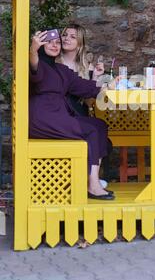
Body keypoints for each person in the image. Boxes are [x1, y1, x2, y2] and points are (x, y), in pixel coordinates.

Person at [29, 30, 114, 200]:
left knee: (99, 125)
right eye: (49, 42)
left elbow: (84, 86)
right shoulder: (39, 65)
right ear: (40, 46)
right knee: (90, 131)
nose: (55, 45)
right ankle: (94, 186)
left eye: (58, 42)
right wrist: (32, 49)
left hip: (58, 116)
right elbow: (34, 65)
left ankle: (91, 181)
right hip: (42, 118)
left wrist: (108, 86)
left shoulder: (61, 70)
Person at [58, 25, 113, 185]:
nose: (66, 38)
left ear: (80, 44)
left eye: (73, 36)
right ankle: (90, 182)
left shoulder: (85, 68)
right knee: (97, 129)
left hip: (79, 115)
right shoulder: (55, 63)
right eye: (65, 35)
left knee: (101, 134)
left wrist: (95, 76)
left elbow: (89, 101)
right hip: (62, 116)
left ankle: (90, 180)